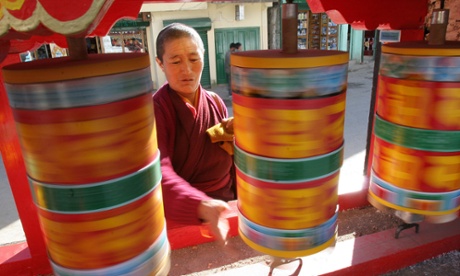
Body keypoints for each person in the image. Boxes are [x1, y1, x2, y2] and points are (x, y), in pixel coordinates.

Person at [153, 23, 235, 245]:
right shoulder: (156, 110)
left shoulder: (215, 102)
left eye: (194, 59)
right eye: (176, 61)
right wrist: (201, 206)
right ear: (160, 63)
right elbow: (159, 172)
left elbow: (232, 157)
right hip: (189, 213)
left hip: (228, 205)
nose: (187, 70)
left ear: (204, 57)